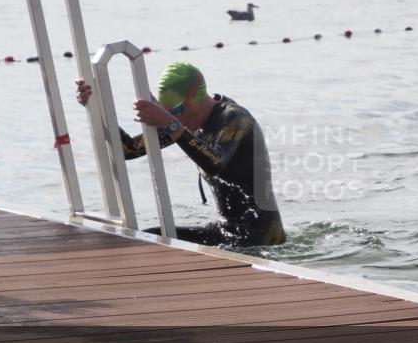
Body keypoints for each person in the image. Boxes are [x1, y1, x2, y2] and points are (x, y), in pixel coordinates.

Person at [75, 61, 285, 247]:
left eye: (175, 112)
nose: (174, 118)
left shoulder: (235, 119)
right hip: (226, 231)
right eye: (168, 113)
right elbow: (128, 150)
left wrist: (170, 123)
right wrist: (94, 107)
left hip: (261, 237)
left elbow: (215, 162)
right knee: (147, 239)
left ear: (195, 100)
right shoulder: (184, 121)